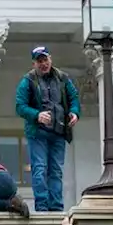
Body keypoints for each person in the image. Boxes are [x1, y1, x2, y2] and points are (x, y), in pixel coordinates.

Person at [14, 46, 80, 212]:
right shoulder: (27, 80)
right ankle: (42, 206)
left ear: (50, 59)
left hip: (58, 131)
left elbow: (74, 98)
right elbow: (20, 106)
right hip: (38, 133)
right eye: (39, 61)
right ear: (34, 63)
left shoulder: (63, 78)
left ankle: (57, 207)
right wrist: (37, 115)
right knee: (40, 169)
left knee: (56, 171)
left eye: (45, 60)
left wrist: (74, 112)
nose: (43, 63)